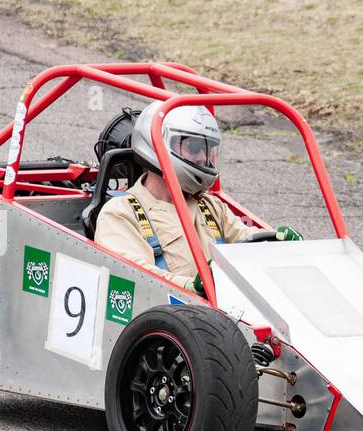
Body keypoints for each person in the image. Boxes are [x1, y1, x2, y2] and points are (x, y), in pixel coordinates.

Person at [94, 101, 300, 295]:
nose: (203, 157)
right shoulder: (120, 213)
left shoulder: (209, 206)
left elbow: (245, 239)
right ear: (156, 146)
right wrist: (193, 287)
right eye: (193, 147)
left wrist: (278, 246)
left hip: (222, 315)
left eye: (208, 148)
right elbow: (135, 277)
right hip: (168, 320)